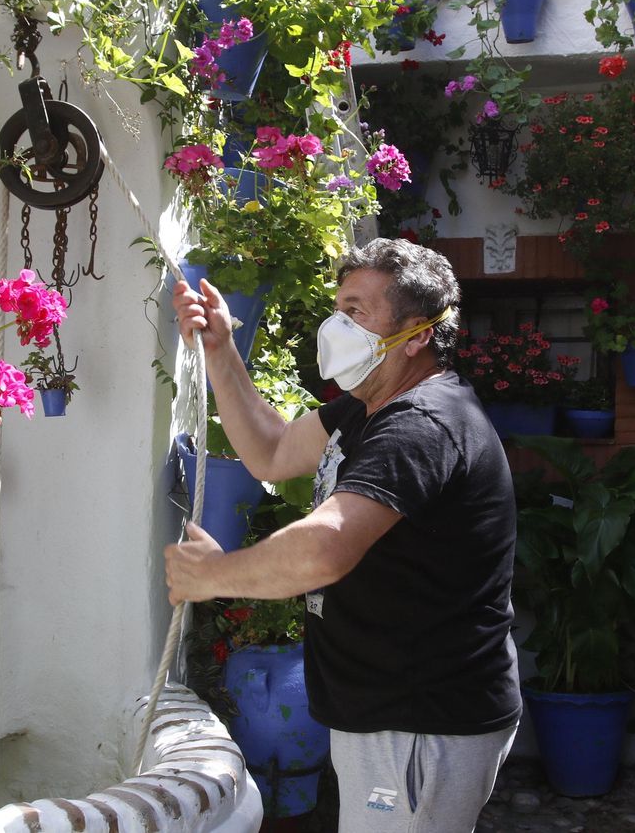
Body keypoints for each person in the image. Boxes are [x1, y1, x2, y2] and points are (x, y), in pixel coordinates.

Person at [167, 237, 520, 833]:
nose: (338, 324)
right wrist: (221, 349)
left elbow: (326, 545)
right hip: (391, 712)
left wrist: (213, 574)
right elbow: (273, 451)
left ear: (416, 335)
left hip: (421, 721)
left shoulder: (421, 426)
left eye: (356, 310)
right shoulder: (366, 406)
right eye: (339, 308)